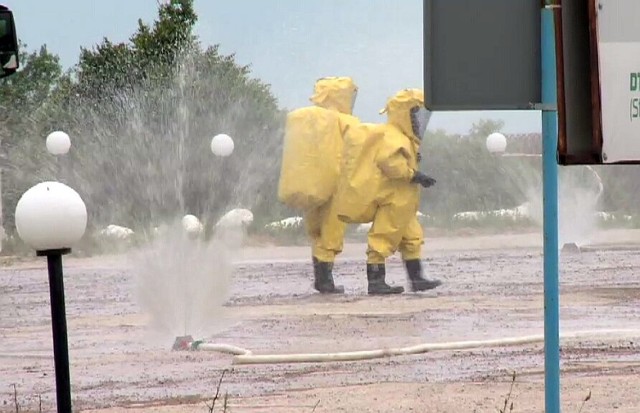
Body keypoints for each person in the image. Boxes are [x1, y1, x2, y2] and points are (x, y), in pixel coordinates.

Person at [335, 88, 441, 295]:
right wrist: (414, 175)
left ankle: (416, 278)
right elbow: (388, 161)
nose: (420, 121)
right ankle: (375, 281)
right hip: (392, 198)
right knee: (383, 236)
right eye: (416, 114)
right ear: (405, 113)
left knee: (412, 237)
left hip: (404, 201)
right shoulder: (395, 136)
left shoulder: (403, 137)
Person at [277, 76, 359, 294]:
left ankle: (320, 277)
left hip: (312, 185)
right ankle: (325, 281)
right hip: (337, 187)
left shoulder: (307, 119)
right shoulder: (346, 121)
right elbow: (359, 147)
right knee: (331, 233)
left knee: (316, 232)